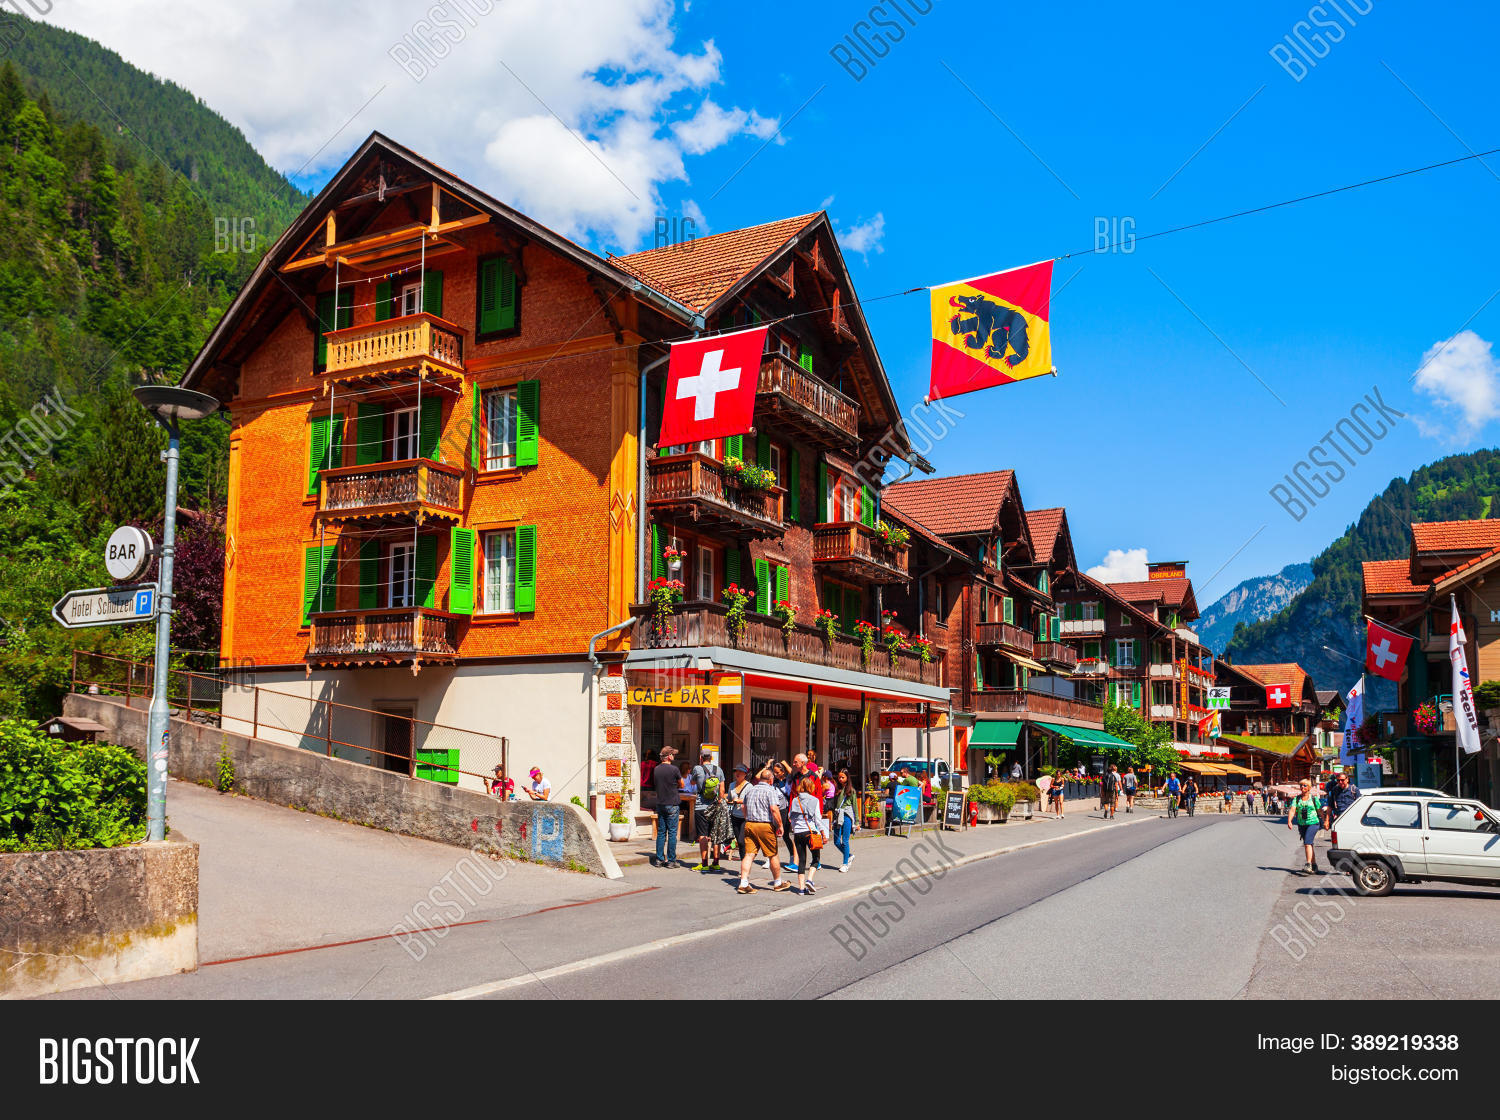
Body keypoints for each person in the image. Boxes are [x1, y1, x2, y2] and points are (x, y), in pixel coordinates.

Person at [736, 768, 791, 894]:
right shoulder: (770, 791)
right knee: (773, 854)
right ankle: (778, 883)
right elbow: (774, 809)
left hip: (750, 824)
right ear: (771, 780)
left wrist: (747, 817)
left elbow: (743, 806)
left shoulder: (751, 790)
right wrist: (780, 825)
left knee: (749, 854)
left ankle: (743, 883)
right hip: (765, 825)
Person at [788, 776, 825, 894]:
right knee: (816, 858)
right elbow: (817, 819)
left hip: (798, 833)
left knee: (801, 860)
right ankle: (809, 880)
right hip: (810, 833)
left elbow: (791, 817)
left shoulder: (795, 800)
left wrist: (794, 828)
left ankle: (801, 888)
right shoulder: (814, 800)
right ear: (811, 787)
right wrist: (823, 833)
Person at [690, 751, 726, 871]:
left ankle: (704, 864)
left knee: (703, 836)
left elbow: (692, 782)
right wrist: (719, 802)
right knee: (716, 835)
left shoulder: (697, 769)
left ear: (700, 757)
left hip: (701, 807)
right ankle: (716, 863)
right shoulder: (719, 770)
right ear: (711, 757)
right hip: (715, 807)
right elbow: (722, 790)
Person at [651, 748, 683, 868]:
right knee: (672, 833)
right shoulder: (674, 769)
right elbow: (682, 784)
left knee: (661, 832)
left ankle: (659, 859)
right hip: (672, 803)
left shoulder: (656, 769)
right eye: (673, 754)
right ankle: (671, 860)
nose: (674, 756)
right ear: (669, 756)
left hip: (660, 803)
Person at [1288, 778, 1324, 875]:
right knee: (1309, 844)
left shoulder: (1314, 799)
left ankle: (1308, 864)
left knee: (1307, 843)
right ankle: (1314, 865)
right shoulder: (1297, 799)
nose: (1302, 787)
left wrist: (1325, 821)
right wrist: (1289, 821)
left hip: (1313, 823)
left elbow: (1320, 810)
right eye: (1301, 785)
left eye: (1305, 785)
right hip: (1302, 824)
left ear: (1309, 788)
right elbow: (1292, 810)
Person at [831, 768, 858, 872]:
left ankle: (845, 864)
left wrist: (857, 821)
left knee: (845, 841)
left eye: (843, 777)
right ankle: (849, 856)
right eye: (839, 777)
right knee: (836, 841)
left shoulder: (851, 790)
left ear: (847, 778)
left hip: (847, 816)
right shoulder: (837, 788)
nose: (840, 779)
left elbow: (855, 806)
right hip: (838, 816)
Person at [727, 763, 752, 860]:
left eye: (740, 772)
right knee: (739, 841)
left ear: (745, 774)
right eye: (736, 771)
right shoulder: (731, 785)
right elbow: (729, 798)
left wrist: (740, 801)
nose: (737, 773)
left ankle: (746, 862)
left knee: (742, 841)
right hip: (734, 816)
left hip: (745, 817)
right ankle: (744, 862)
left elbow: (751, 801)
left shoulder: (749, 786)